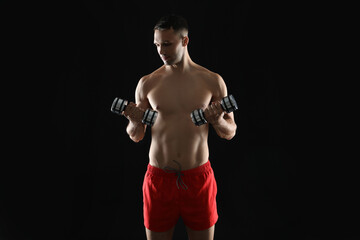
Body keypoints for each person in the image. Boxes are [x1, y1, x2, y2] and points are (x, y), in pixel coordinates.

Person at [122, 14, 237, 240]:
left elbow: (230, 131)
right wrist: (135, 121)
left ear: (185, 41)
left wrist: (217, 120)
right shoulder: (147, 83)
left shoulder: (212, 81)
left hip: (198, 179)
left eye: (167, 44)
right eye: (156, 44)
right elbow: (136, 136)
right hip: (158, 181)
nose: (161, 51)